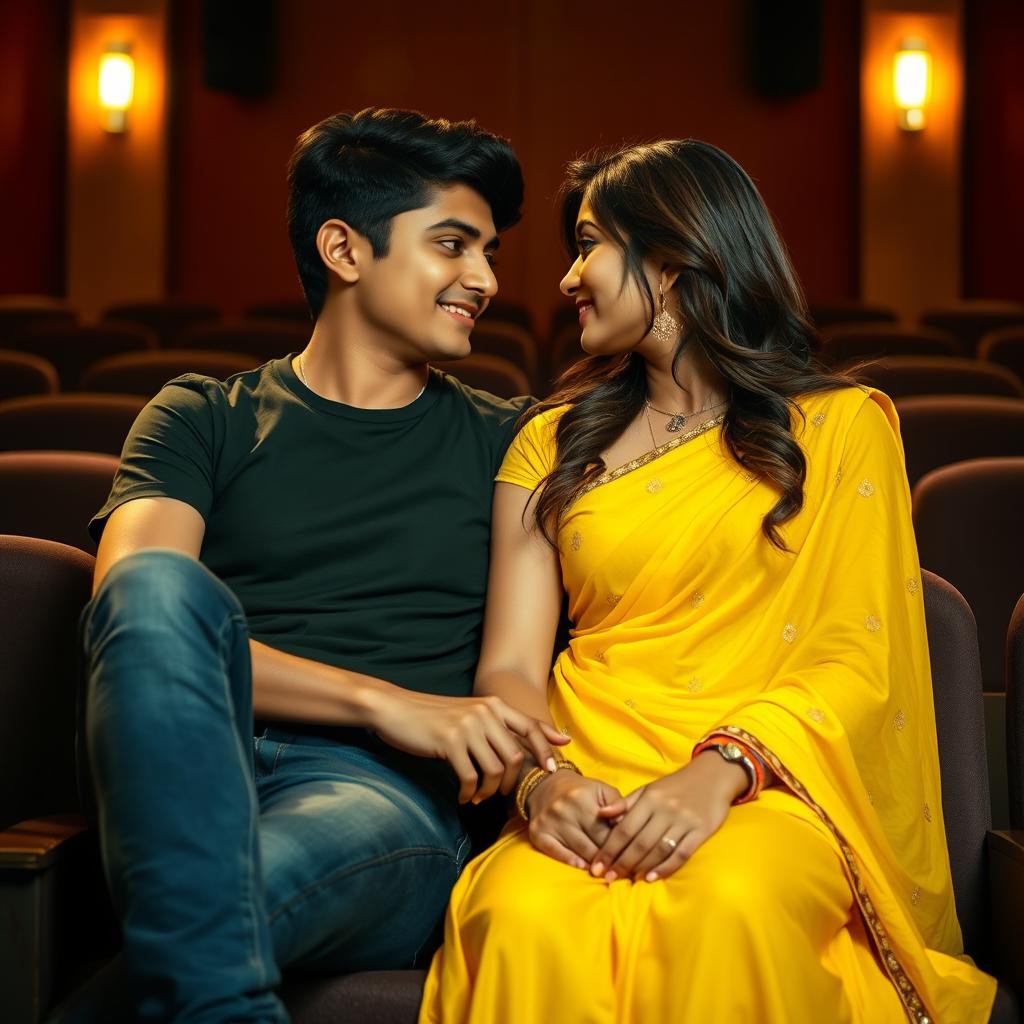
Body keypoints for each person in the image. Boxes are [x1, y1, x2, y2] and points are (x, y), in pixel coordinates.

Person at [419, 139, 996, 1023]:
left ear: (673, 257)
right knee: (522, 917)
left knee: (728, 903)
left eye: (587, 245)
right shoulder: (550, 442)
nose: (568, 279)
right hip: (588, 774)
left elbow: (856, 655)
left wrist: (720, 771)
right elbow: (508, 669)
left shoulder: (841, 430)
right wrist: (541, 787)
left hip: (767, 785)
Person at [79, 107, 567, 1023]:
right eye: (453, 245)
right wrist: (389, 701)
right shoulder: (200, 415)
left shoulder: (515, 443)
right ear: (344, 250)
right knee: (151, 580)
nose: (487, 279)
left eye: (490, 253)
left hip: (377, 800)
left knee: (204, 893)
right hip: (182, 760)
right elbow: (132, 614)